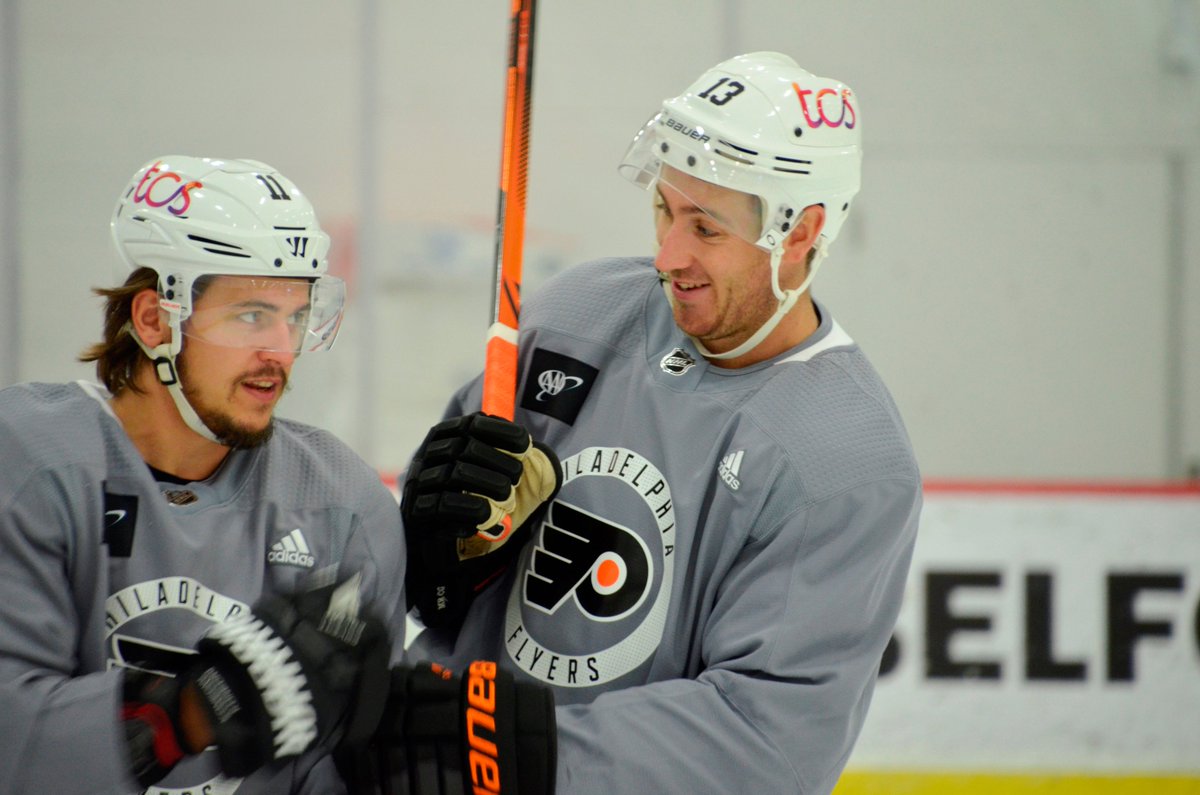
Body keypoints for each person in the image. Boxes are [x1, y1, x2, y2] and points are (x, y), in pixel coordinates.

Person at [396, 52, 922, 795]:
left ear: (800, 233)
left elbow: (768, 742)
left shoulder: (846, 459)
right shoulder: (576, 314)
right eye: (664, 211)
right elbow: (435, 593)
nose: (669, 256)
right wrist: (443, 553)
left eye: (705, 227)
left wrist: (523, 754)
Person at [0, 156, 407, 794]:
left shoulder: (344, 504)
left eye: (295, 317)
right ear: (154, 320)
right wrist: (185, 713)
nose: (280, 351)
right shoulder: (28, 462)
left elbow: (342, 766)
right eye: (251, 315)